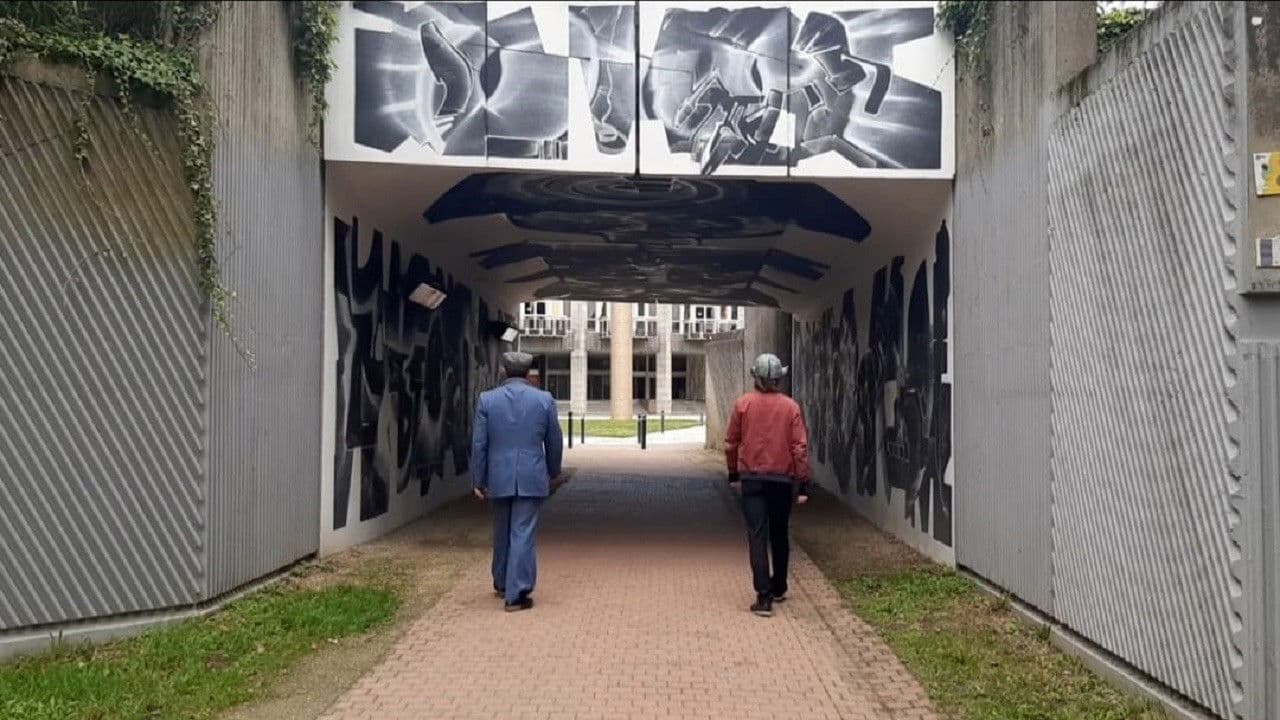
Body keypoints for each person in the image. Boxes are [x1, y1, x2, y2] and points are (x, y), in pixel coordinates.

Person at [471, 351, 563, 612]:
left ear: (504, 371)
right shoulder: (544, 400)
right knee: (522, 532)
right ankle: (517, 593)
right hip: (531, 475)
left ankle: (502, 582)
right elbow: (554, 439)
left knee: (501, 530)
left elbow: (479, 443)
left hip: (498, 475)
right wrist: (553, 470)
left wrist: (478, 478)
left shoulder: (487, 400)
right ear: (528, 372)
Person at [724, 352, 811, 618]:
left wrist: (733, 473)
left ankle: (763, 597)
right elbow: (799, 448)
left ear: (756, 378)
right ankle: (779, 586)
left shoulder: (743, 404)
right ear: (778, 380)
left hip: (752, 479)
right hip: (782, 480)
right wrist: (802, 483)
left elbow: (731, 443)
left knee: (757, 535)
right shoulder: (791, 407)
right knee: (780, 533)